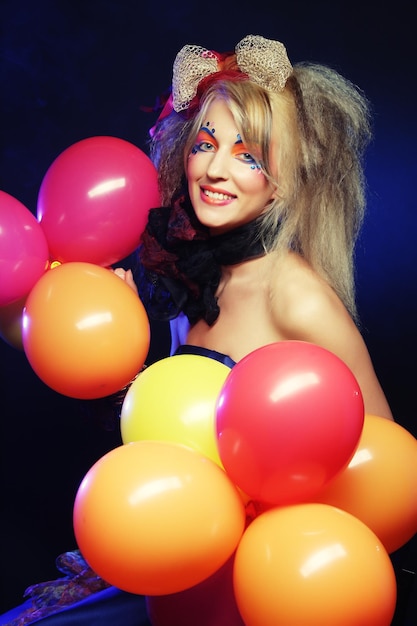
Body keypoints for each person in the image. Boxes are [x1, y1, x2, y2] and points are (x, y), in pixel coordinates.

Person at [1, 33, 394, 626]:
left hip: (267, 580)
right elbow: (185, 438)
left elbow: (380, 467)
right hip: (180, 556)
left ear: (282, 179)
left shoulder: (296, 295)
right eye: (205, 144)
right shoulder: (196, 279)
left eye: (248, 155)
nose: (214, 169)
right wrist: (119, 362)